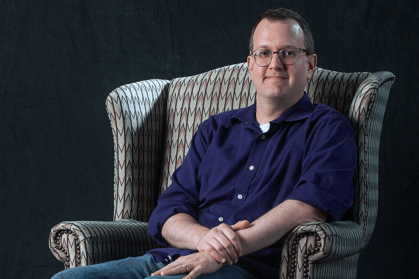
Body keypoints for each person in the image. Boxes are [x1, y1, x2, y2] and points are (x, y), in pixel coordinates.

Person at [52, 7, 356, 279]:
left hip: (245, 269)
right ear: (250, 65)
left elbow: (310, 207)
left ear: (311, 64)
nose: (274, 63)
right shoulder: (216, 128)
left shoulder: (328, 128)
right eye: (264, 53)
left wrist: (222, 252)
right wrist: (203, 240)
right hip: (167, 260)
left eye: (288, 53)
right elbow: (169, 212)